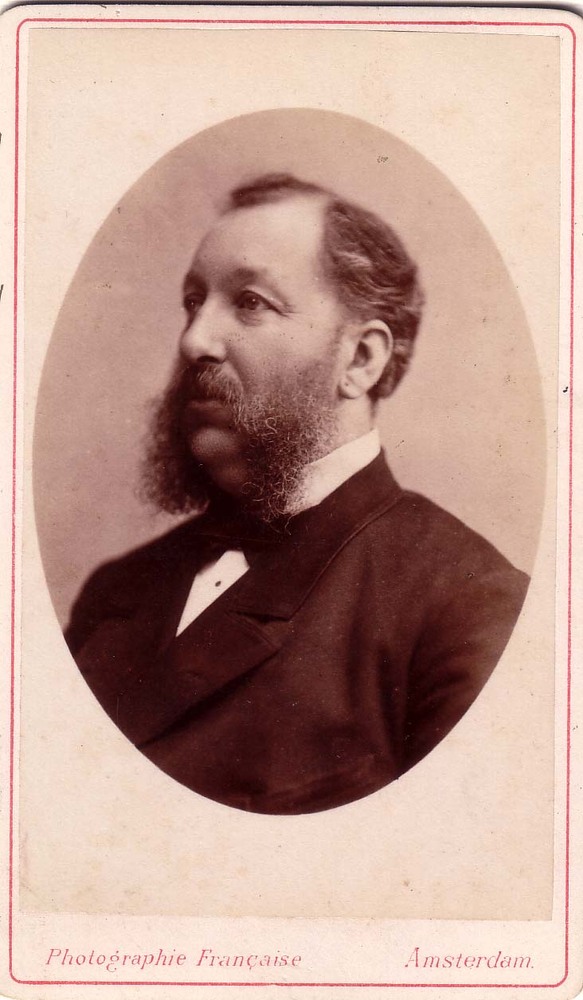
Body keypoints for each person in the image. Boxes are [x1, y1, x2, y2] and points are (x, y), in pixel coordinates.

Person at [65, 173, 529, 815]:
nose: (194, 340)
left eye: (251, 302)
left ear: (360, 360)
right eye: (194, 302)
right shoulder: (117, 590)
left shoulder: (466, 607)